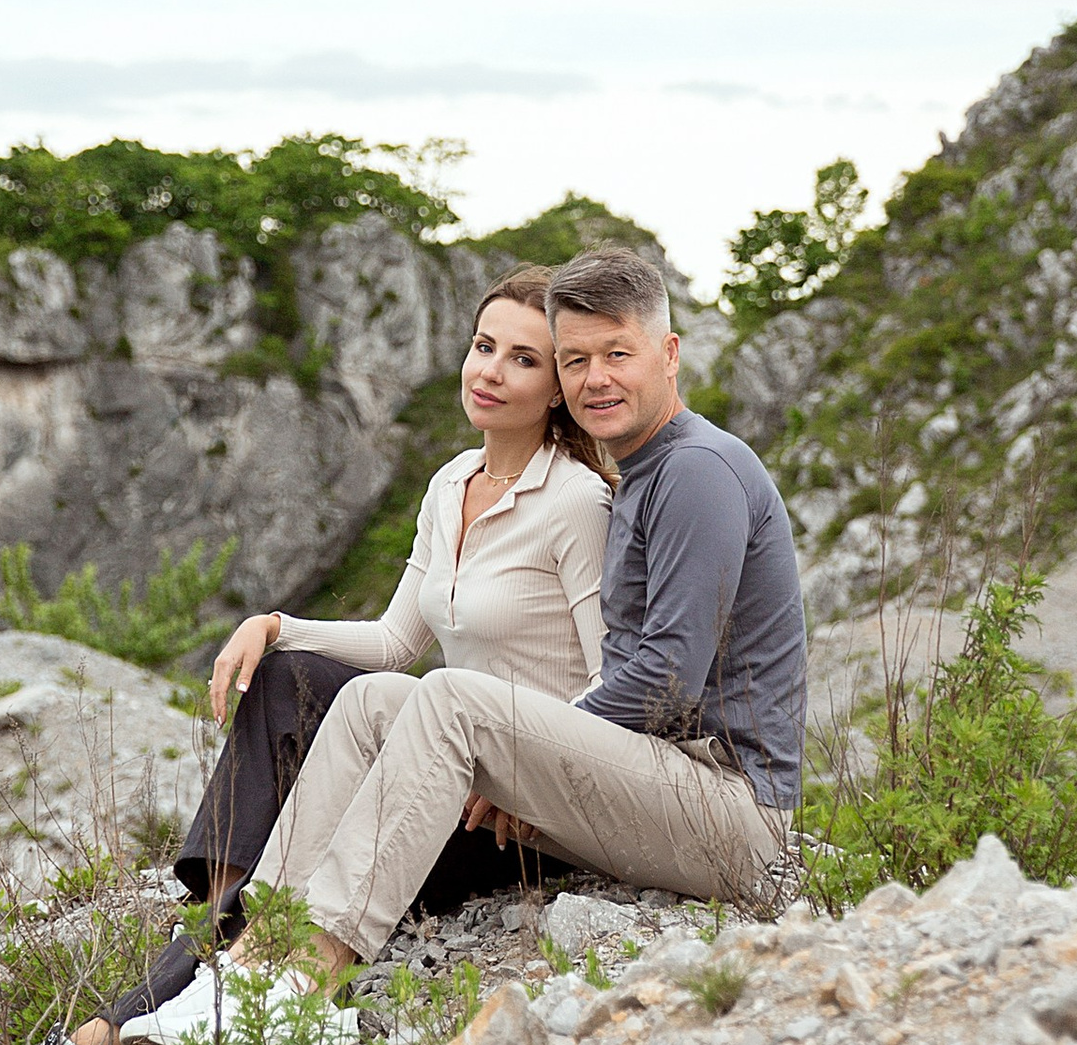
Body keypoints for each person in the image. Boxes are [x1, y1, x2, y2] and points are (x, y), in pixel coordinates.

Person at [0, 271, 613, 1045]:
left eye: (524, 359)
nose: (489, 371)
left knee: (305, 817)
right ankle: (206, 964)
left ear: (559, 386)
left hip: (506, 811)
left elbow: (614, 682)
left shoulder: (577, 501)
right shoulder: (452, 483)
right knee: (284, 677)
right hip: (431, 757)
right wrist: (274, 625)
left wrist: (521, 779)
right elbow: (393, 645)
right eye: (483, 345)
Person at [232, 244, 803, 982]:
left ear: (669, 354)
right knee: (374, 699)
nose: (595, 378)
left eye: (617, 354)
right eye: (574, 360)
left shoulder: (697, 469)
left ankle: (311, 970)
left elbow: (667, 680)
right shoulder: (640, 474)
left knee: (449, 698)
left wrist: (517, 759)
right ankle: (255, 946)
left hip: (728, 811)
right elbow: (398, 642)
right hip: (661, 783)